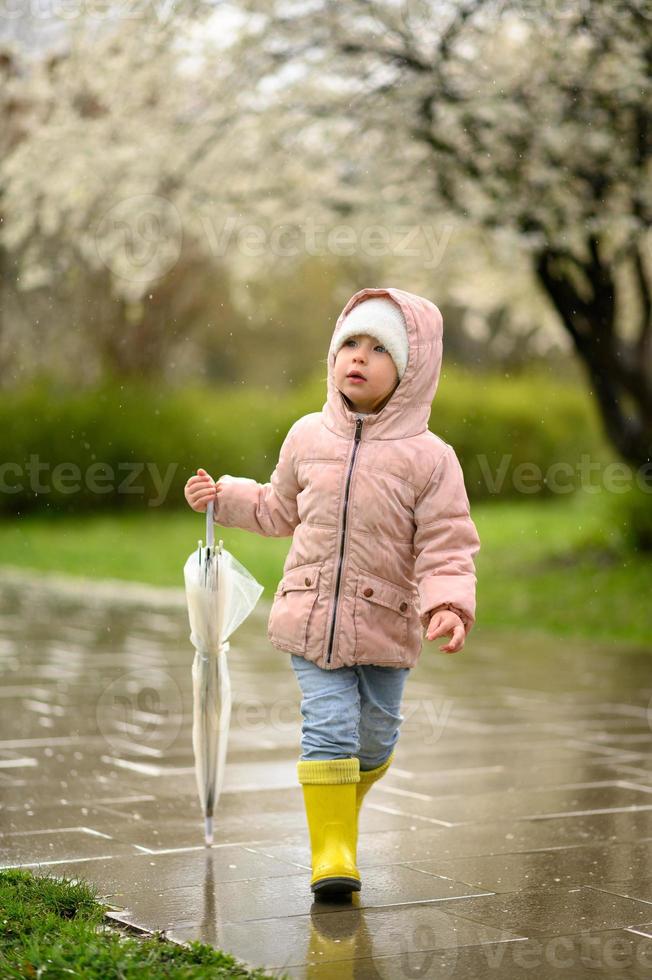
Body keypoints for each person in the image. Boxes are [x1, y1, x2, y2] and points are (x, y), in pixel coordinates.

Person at [184, 286, 480, 898]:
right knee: (329, 726)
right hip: (309, 614)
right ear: (332, 354)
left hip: (388, 621)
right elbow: (276, 508)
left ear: (412, 369)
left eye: (380, 349)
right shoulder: (307, 436)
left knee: (374, 736)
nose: (360, 358)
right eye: (351, 342)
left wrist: (447, 603)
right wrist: (225, 498)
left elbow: (447, 543)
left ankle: (347, 792)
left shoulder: (430, 459)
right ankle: (333, 856)